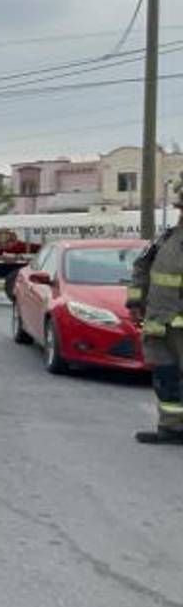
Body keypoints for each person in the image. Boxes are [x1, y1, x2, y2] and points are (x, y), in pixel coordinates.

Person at [128, 177, 183, 445]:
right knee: (166, 378)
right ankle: (171, 428)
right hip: (161, 326)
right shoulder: (167, 239)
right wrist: (135, 302)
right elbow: (141, 267)